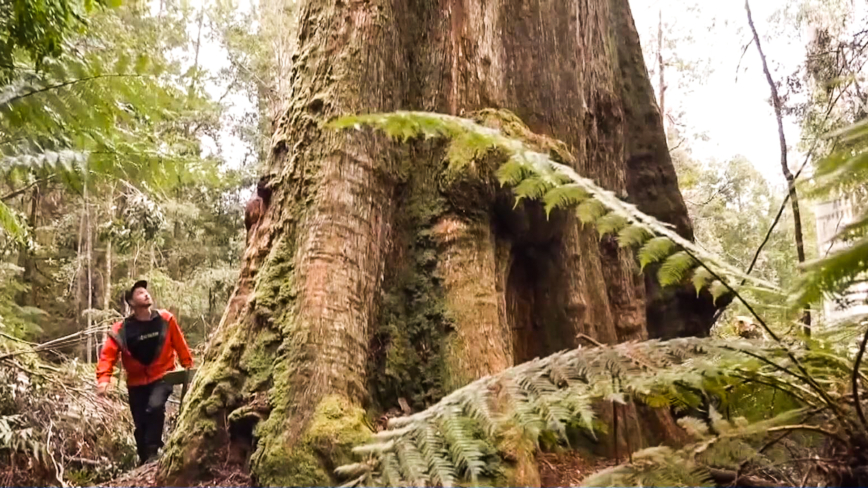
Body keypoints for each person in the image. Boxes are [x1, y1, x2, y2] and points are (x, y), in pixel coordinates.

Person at [96, 280, 194, 466]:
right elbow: (108, 355)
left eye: (145, 291)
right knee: (140, 423)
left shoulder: (166, 319)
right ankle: (144, 460)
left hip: (163, 376)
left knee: (155, 407)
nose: (146, 294)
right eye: (140, 293)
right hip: (136, 383)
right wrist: (103, 379)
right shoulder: (121, 330)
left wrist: (188, 366)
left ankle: (153, 450)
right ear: (131, 303)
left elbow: (180, 344)